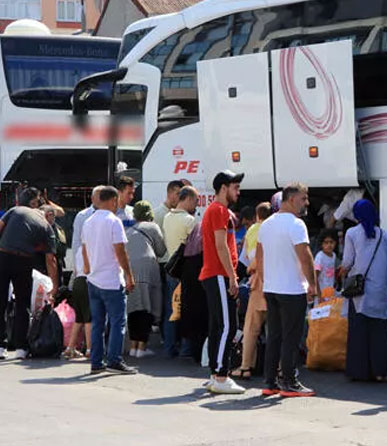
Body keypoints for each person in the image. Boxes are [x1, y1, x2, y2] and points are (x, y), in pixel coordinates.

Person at [257, 182, 317, 397]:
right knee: (291, 337)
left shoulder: (266, 224)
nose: (306, 202)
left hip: (272, 288)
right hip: (292, 289)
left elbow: (259, 258)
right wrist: (313, 284)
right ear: (292, 199)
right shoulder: (296, 224)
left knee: (274, 335)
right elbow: (305, 255)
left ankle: (270, 381)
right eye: (304, 198)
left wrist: (266, 282)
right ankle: (289, 381)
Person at [199, 170, 246, 394]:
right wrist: (232, 277)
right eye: (235, 187)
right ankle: (221, 375)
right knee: (229, 326)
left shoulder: (215, 210)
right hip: (218, 274)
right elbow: (221, 246)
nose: (238, 191)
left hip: (215, 274)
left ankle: (215, 375)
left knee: (219, 326)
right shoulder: (219, 210)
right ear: (224, 188)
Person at [82, 186, 136, 374]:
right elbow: (120, 251)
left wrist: (88, 268)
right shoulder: (114, 222)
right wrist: (129, 275)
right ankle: (114, 360)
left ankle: (96, 362)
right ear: (113, 200)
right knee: (117, 322)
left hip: (93, 280)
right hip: (112, 280)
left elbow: (84, 248)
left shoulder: (88, 221)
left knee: (98, 323)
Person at [0, 197, 58, 360]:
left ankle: (0, 346)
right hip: (24, 261)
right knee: (22, 303)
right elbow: (51, 260)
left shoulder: (15, 210)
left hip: (3, 255)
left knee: (1, 302)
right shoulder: (47, 227)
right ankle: (21, 348)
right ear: (47, 216)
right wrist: (54, 286)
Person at [341, 199, 387, 382]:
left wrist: (342, 272)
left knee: (359, 332)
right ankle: (380, 371)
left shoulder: (352, 233)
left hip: (359, 290)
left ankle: (359, 372)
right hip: (380, 289)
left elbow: (347, 262)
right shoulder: (383, 235)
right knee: (379, 332)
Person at [232, 202, 272, 380]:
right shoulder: (275, 229)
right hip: (277, 283)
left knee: (251, 328)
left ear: (257, 215)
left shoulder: (252, 231)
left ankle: (246, 366)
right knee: (275, 330)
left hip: (257, 283)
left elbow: (247, 261)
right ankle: (278, 368)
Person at [125, 201, 166, 358]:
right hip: (149, 270)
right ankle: (141, 348)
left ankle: (133, 347)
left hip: (130, 270)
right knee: (147, 308)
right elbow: (161, 251)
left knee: (134, 308)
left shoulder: (128, 230)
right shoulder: (152, 227)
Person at [163, 186, 199, 357]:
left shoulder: (167, 217)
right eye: (196, 201)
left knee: (171, 310)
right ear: (189, 199)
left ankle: (169, 347)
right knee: (187, 310)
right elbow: (196, 247)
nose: (197, 205)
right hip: (187, 272)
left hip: (171, 269)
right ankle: (186, 348)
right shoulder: (190, 221)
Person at [64, 246, 92, 360]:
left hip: (77, 282)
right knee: (89, 318)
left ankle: (70, 348)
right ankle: (90, 349)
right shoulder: (92, 247)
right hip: (87, 281)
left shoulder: (80, 248)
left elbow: (76, 270)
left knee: (79, 318)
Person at [72, 185, 104, 275]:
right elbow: (76, 241)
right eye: (100, 196)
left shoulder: (111, 215)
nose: (102, 199)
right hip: (87, 261)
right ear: (92, 198)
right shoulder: (82, 216)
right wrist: (76, 264)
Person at [40, 205, 67, 286]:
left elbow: (60, 250)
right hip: (40, 267)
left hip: (53, 267)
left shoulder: (57, 230)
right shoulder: (39, 227)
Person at [314, 229, 338, 300]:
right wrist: (319, 296)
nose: (329, 245)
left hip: (330, 292)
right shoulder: (320, 257)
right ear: (321, 244)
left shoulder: (334, 255)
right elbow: (315, 276)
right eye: (326, 243)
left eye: (331, 242)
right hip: (321, 293)